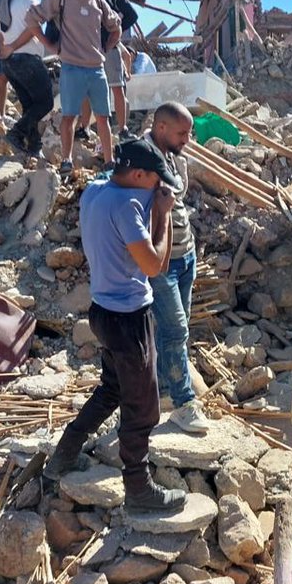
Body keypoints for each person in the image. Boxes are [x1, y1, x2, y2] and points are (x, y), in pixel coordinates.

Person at [44, 138, 187, 513]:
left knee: (112, 389)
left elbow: (116, 184)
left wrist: (150, 197)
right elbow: (154, 266)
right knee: (142, 407)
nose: (159, 187)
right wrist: (163, 214)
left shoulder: (95, 191)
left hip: (102, 311)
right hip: (129, 319)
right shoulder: (128, 209)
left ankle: (63, 456)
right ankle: (139, 489)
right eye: (155, 179)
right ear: (139, 174)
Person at [144, 102, 209, 434]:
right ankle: (184, 403)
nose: (188, 138)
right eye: (182, 133)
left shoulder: (171, 153)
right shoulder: (143, 159)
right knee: (175, 330)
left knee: (173, 331)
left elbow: (177, 198)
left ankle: (163, 392)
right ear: (161, 128)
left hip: (185, 254)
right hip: (162, 262)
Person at [25, 0, 121, 178]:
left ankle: (109, 162)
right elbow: (32, 18)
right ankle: (66, 160)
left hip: (97, 68)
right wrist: (49, 45)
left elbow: (116, 26)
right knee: (69, 117)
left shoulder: (100, 3)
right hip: (71, 67)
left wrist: (106, 48)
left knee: (104, 117)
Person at [73, 0, 139, 143]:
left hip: (109, 48)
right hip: (88, 48)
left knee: (117, 87)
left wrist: (114, 33)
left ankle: (123, 128)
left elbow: (131, 15)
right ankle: (84, 127)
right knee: (86, 89)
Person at [0, 0, 51, 159]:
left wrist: (6, 49)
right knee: (45, 103)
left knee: (30, 107)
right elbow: (33, 28)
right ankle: (17, 132)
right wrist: (13, 46)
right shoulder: (29, 1)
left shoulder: (2, 4)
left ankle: (34, 148)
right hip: (28, 59)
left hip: (9, 63)